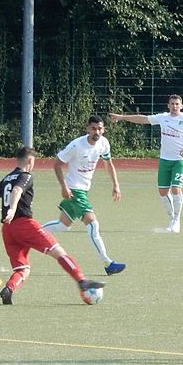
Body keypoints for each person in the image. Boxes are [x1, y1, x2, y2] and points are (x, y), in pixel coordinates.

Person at [0, 146, 104, 305]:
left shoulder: (7, 178)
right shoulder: (26, 176)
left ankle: (9, 288)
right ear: (30, 160)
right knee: (59, 253)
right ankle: (81, 281)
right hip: (24, 224)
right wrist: (13, 209)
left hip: (7, 229)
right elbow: (17, 190)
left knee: (23, 269)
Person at [41, 115, 126, 275]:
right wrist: (64, 186)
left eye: (99, 129)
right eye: (93, 128)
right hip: (74, 190)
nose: (97, 132)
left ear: (104, 129)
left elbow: (108, 164)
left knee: (62, 225)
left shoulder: (104, 143)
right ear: (87, 129)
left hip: (84, 190)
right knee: (93, 223)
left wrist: (116, 184)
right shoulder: (76, 145)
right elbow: (57, 164)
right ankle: (108, 263)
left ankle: (32, 234)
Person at [109, 94, 183, 233]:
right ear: (168, 105)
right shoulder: (163, 117)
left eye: (177, 104)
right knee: (163, 192)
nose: (174, 106)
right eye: (172, 103)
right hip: (165, 160)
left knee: (176, 188)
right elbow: (143, 119)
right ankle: (172, 218)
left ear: (181, 106)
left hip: (180, 160)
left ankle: (177, 220)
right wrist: (122, 117)